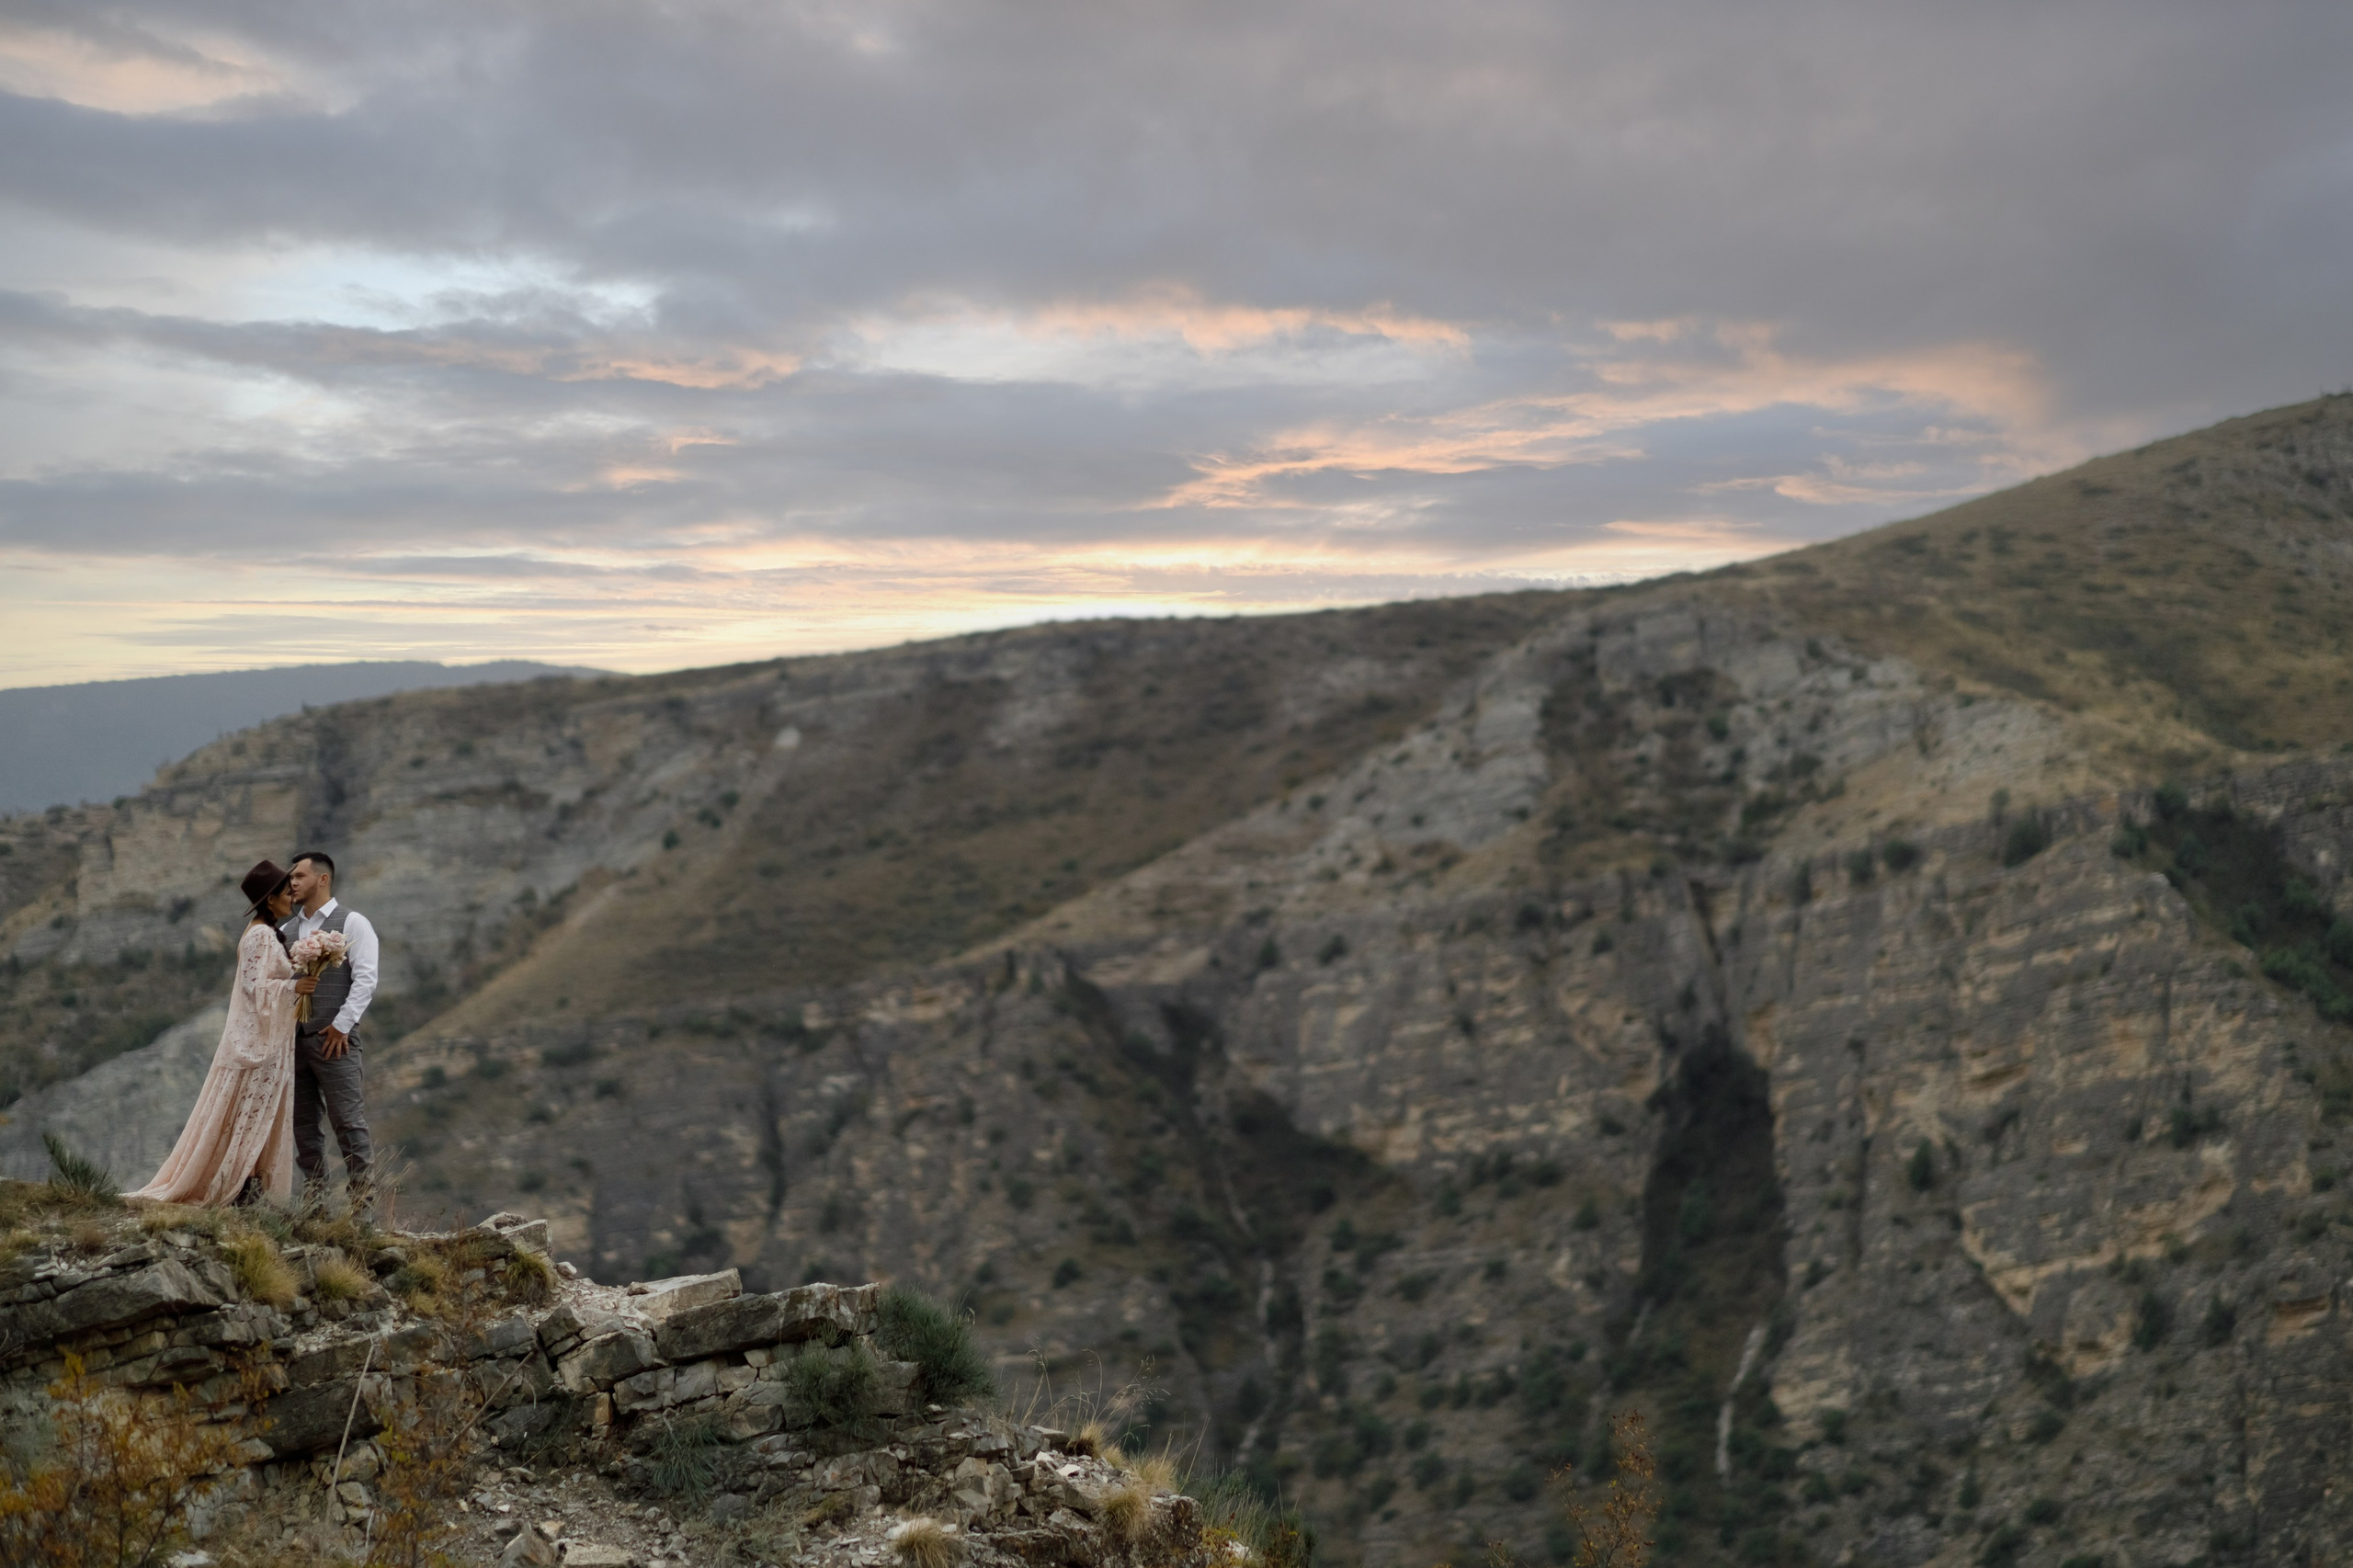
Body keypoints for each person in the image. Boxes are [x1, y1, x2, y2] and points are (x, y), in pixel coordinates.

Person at [130, 860, 318, 1206]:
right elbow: (253, 988)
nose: (292, 896)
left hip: (266, 1041)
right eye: (285, 892)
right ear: (270, 899)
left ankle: (245, 1186)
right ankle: (237, 1187)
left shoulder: (264, 933)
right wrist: (295, 988)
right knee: (248, 1117)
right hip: (258, 1046)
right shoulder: (261, 936)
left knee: (246, 1116)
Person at [283, 849, 378, 1208]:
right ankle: (316, 1205)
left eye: (299, 877)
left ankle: (362, 1209)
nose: (292, 883)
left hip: (335, 1040)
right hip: (294, 1043)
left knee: (348, 1123)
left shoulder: (352, 922)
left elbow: (366, 979)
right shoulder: (286, 930)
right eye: (291, 878)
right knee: (304, 1128)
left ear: (322, 879)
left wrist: (340, 1026)